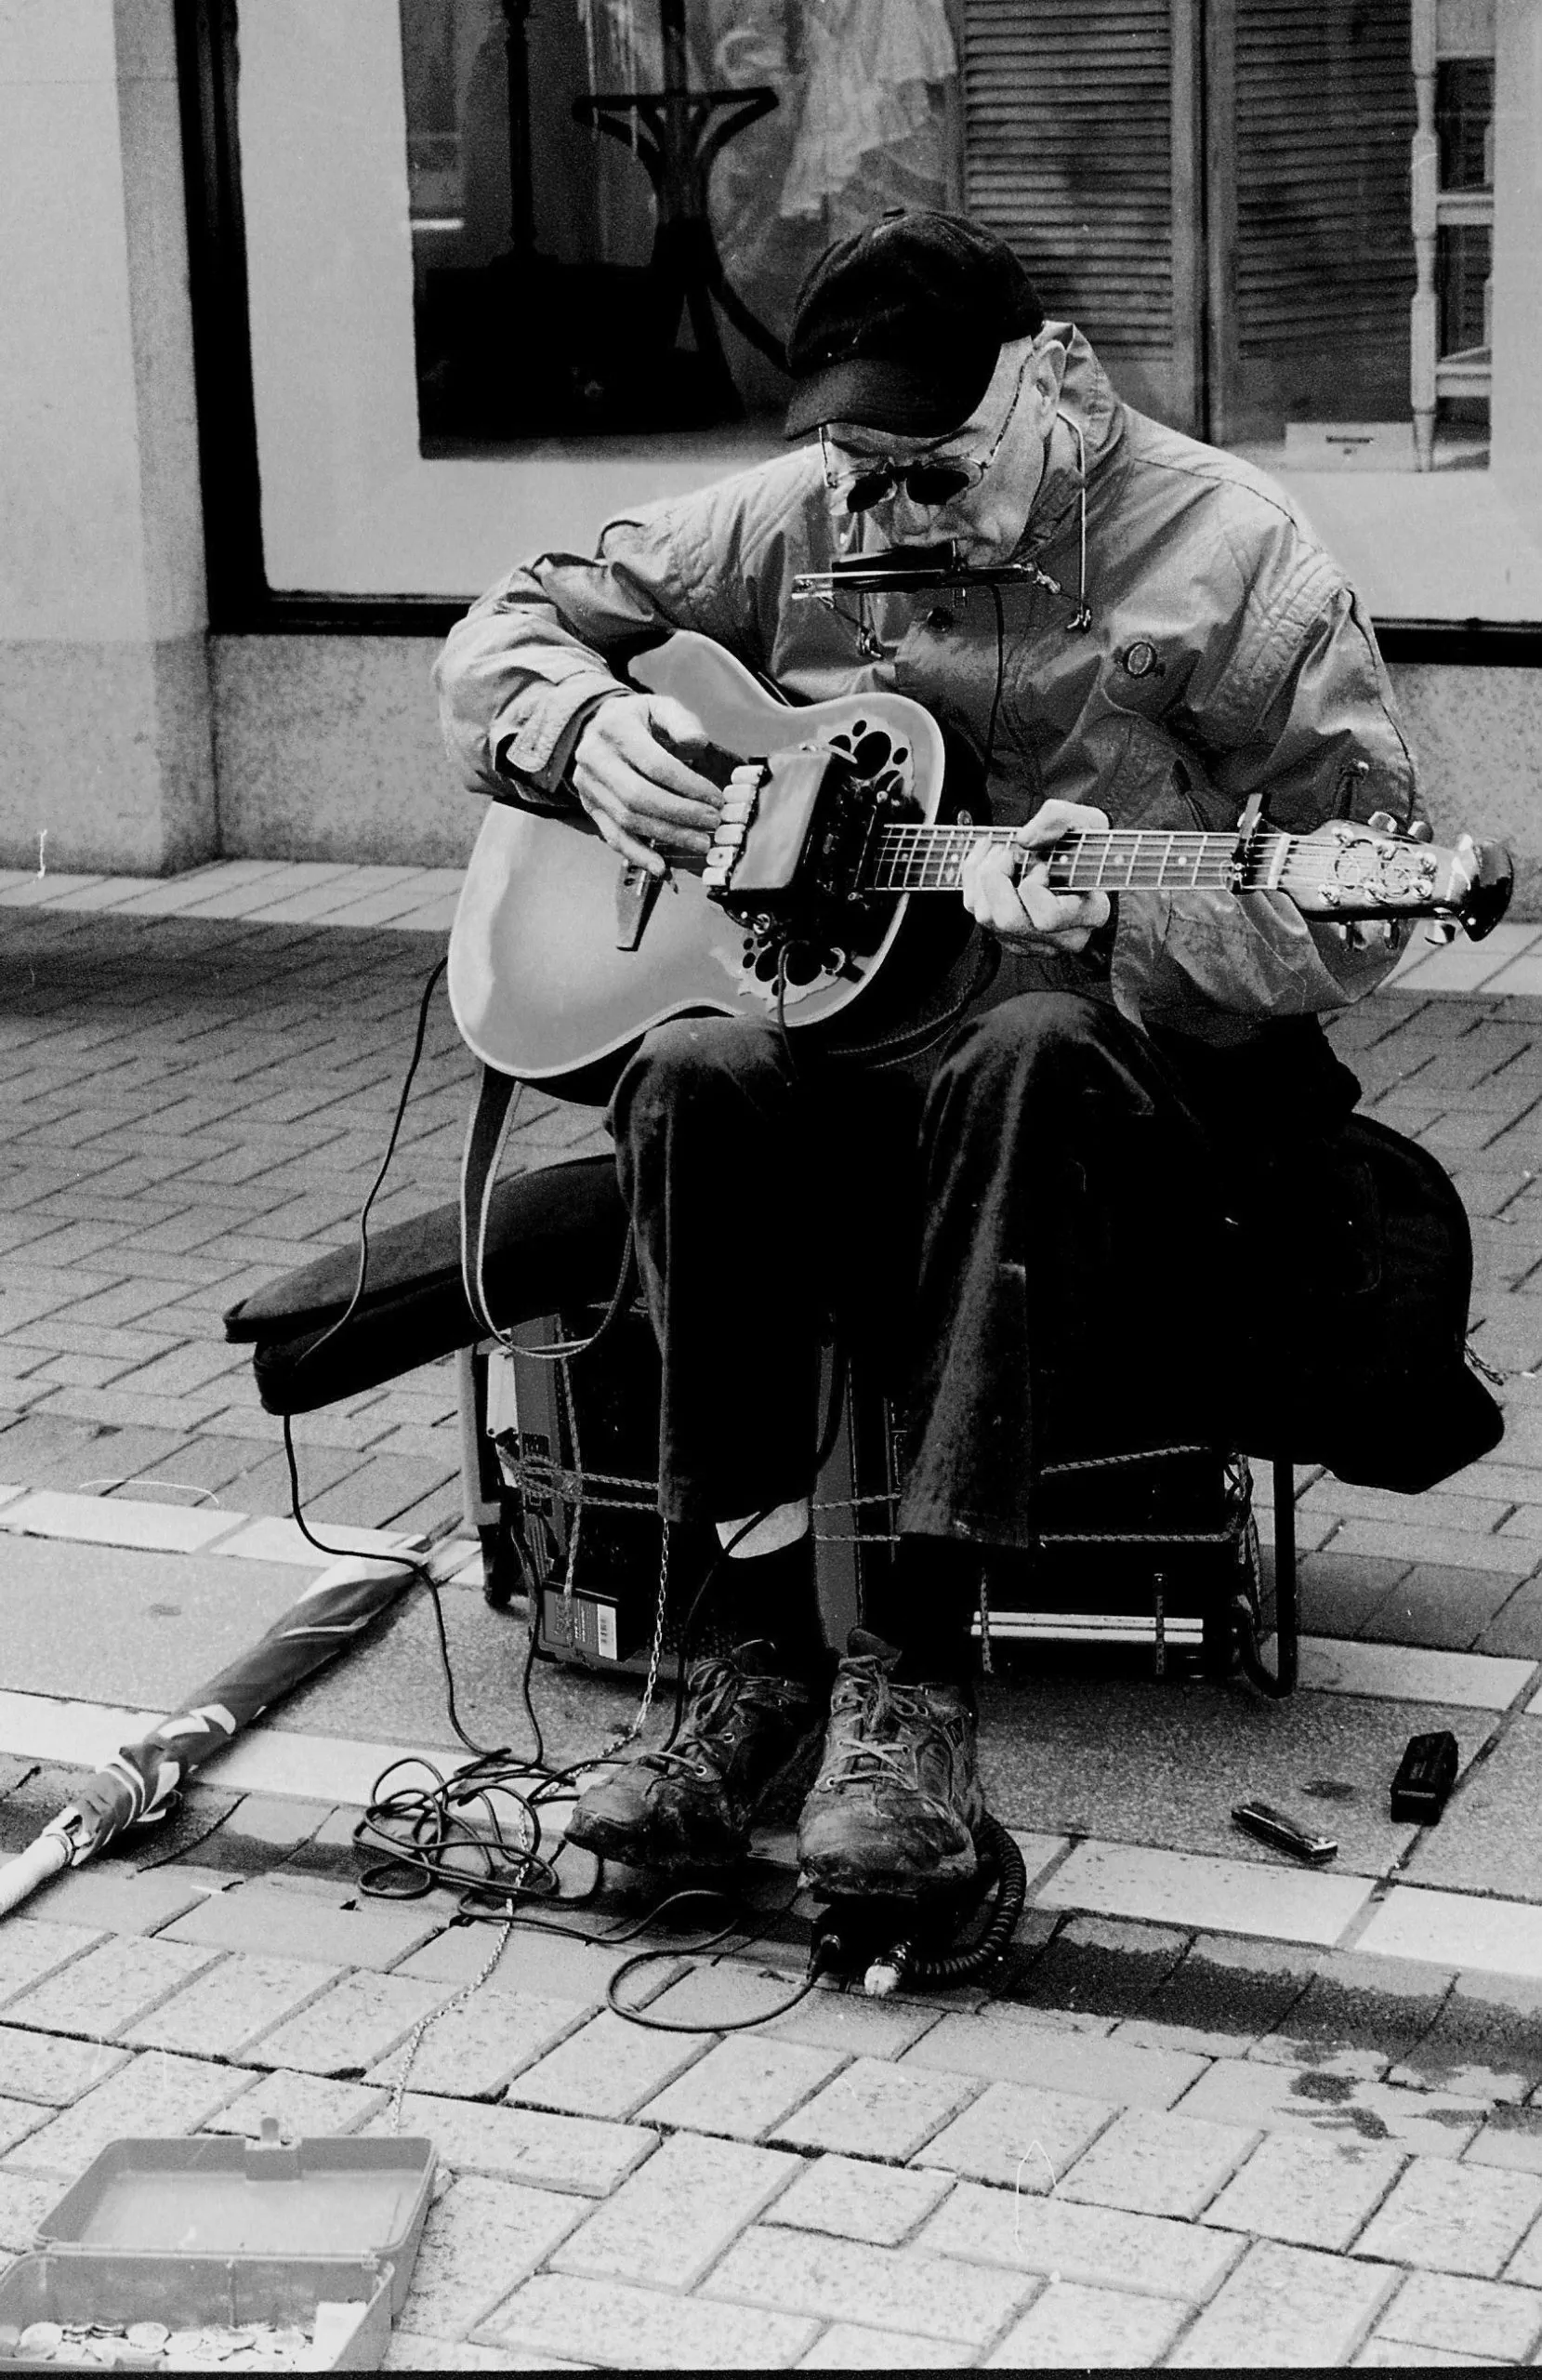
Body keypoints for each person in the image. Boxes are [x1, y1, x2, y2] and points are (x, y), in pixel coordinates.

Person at [435, 210, 1420, 1900]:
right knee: (691, 1076)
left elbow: (1350, 906)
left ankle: (912, 1682)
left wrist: (1118, 925)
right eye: (859, 469)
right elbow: (510, 621)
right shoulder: (795, 512)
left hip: (1114, 1091)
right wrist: (577, 728)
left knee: (1026, 1046)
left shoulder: (1232, 551)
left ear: (1044, 377)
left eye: (933, 467)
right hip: (857, 1066)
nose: (890, 507)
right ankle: (749, 1659)